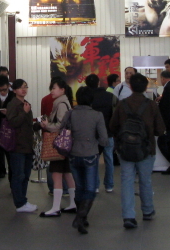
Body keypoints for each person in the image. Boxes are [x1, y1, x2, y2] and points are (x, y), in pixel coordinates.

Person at [110, 73, 166, 229]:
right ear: (146, 87)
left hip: (125, 149)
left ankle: (128, 216)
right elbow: (160, 130)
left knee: (127, 181)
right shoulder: (151, 105)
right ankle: (147, 211)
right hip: (146, 149)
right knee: (145, 180)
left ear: (130, 86)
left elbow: (112, 126)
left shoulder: (122, 104)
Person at [66, 86, 108, 234]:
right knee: (90, 189)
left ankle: (82, 219)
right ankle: (80, 216)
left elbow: (62, 131)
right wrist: (97, 143)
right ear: (91, 99)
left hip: (73, 154)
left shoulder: (70, 113)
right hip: (90, 153)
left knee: (80, 187)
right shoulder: (97, 115)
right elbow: (104, 139)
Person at [39, 79, 76, 217]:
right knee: (67, 173)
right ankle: (73, 203)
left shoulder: (60, 104)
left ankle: (55, 207)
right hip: (66, 145)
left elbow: (60, 125)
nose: (52, 91)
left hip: (58, 145)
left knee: (56, 174)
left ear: (62, 90)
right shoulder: (65, 102)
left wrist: (47, 126)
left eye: (54, 88)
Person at [7, 79, 38, 213]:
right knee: (18, 175)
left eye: (25, 87)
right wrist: (24, 112)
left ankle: (23, 200)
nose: (24, 90)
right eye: (20, 88)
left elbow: (28, 125)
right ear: (14, 90)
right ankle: (19, 203)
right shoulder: (13, 104)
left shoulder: (25, 104)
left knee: (25, 174)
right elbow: (13, 123)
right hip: (17, 145)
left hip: (27, 144)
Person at [84, 73, 117, 193]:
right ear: (98, 83)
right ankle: (109, 185)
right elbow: (115, 115)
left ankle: (95, 185)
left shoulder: (87, 98)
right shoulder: (110, 96)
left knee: (94, 160)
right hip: (108, 132)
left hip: (93, 134)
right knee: (109, 159)